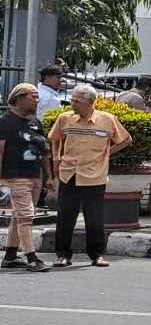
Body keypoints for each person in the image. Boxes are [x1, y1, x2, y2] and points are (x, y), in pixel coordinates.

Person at [46, 84, 131, 269]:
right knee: (65, 217)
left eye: (77, 101)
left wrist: (107, 152)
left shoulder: (107, 120)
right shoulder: (64, 118)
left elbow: (125, 139)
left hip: (95, 175)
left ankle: (96, 254)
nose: (72, 103)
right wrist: (56, 160)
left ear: (90, 102)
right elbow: (55, 139)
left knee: (94, 218)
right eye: (72, 100)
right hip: (69, 174)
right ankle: (63, 255)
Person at [0, 84, 49, 271]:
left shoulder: (35, 122)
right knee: (26, 216)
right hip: (14, 176)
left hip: (34, 176)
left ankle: (10, 256)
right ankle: (32, 257)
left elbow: (44, 150)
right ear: (19, 98)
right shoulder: (5, 123)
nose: (37, 100)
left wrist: (49, 176)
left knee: (19, 216)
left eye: (37, 97)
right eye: (33, 97)